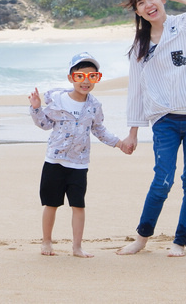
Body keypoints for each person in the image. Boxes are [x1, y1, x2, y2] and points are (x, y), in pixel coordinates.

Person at [116, 0, 186, 257]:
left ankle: (180, 242)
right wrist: (133, 132)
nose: (149, 5)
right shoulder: (140, 46)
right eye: (141, 3)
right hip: (164, 120)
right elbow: (136, 90)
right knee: (163, 180)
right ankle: (141, 238)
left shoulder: (185, 25)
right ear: (137, 11)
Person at [29, 52, 127, 257]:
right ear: (71, 78)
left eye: (92, 77)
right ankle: (46, 242)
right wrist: (36, 108)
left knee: (78, 205)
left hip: (79, 164)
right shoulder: (57, 100)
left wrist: (118, 143)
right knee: (51, 204)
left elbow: (99, 130)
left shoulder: (94, 106)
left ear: (96, 79)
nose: (86, 81)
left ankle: (77, 247)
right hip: (54, 161)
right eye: (80, 76)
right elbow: (45, 124)